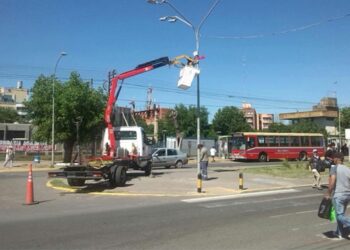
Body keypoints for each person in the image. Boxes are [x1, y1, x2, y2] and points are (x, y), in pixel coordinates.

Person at [325, 152, 350, 239]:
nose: (332, 160)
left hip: (339, 195)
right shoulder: (347, 169)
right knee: (341, 214)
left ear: (337, 159)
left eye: (333, 158)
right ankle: (339, 232)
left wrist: (328, 193)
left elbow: (332, 181)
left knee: (339, 216)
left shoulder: (334, 168)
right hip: (348, 194)